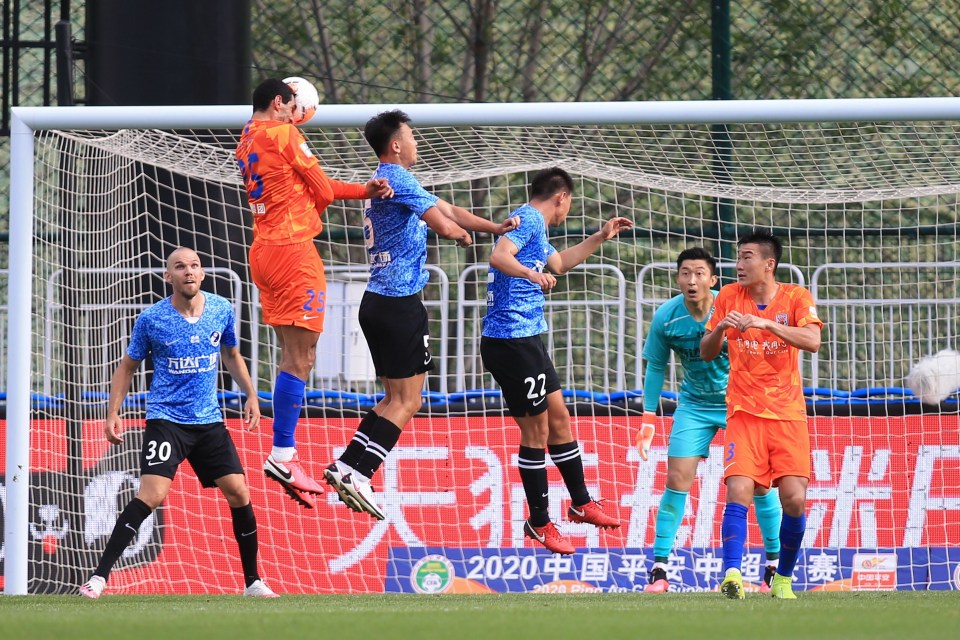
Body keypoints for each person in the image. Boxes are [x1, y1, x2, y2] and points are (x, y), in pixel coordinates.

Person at [323, 109, 519, 519]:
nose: (417, 142)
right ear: (395, 144)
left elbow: (447, 208)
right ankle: (362, 475)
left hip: (377, 302)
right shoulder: (396, 177)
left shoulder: (392, 180)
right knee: (409, 400)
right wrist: (461, 237)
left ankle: (346, 464)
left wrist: (493, 228)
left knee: (393, 397)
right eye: (411, 135)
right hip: (398, 305)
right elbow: (444, 224)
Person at [79, 248, 277, 599]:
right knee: (151, 496)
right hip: (166, 420)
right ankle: (98, 579)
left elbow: (231, 354)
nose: (189, 272)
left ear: (202, 274)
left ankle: (253, 582)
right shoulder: (151, 319)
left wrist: (250, 394)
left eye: (195, 266)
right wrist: (113, 412)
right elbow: (127, 367)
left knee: (240, 493)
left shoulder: (220, 309)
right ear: (167, 276)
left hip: (209, 421)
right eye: (180, 267)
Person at [235, 78, 394, 509]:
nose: (295, 115)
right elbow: (321, 190)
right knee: (302, 358)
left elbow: (312, 185)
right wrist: (319, 199)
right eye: (292, 107)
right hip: (293, 253)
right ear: (278, 103)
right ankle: (282, 454)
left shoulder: (247, 136)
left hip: (263, 250)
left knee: (292, 356)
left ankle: (283, 453)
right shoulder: (283, 132)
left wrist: (362, 189)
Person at [479, 167, 632, 554]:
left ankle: (581, 503)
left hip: (527, 338)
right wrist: (532, 275)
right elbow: (500, 256)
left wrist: (599, 236)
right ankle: (540, 522)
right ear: (562, 197)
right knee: (536, 433)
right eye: (571, 202)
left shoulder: (536, 225)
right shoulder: (529, 218)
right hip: (509, 341)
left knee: (560, 418)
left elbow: (559, 264)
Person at [638, 247, 782, 593]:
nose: (692, 280)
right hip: (694, 405)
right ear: (677, 278)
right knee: (676, 477)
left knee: (759, 484)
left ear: (713, 279)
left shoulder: (733, 305)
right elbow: (656, 366)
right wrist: (647, 417)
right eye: (685, 273)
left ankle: (774, 566)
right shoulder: (666, 317)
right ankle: (659, 570)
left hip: (741, 404)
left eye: (700, 273)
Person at [700, 231, 822, 600]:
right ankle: (732, 574)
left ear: (769, 264)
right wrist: (720, 327)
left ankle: (782, 578)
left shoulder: (796, 297)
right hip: (743, 412)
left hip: (787, 415)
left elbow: (813, 342)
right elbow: (706, 353)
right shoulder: (727, 298)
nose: (738, 264)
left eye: (747, 257)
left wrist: (766, 325)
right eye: (738, 257)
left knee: (795, 499)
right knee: (739, 490)